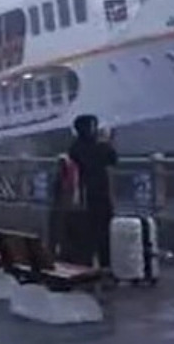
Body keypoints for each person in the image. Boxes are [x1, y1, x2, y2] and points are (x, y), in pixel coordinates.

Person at [67, 114, 118, 270]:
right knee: (104, 231)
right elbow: (113, 159)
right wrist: (108, 140)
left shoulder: (74, 148)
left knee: (87, 232)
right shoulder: (99, 147)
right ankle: (105, 264)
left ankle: (86, 262)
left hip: (83, 194)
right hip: (101, 193)